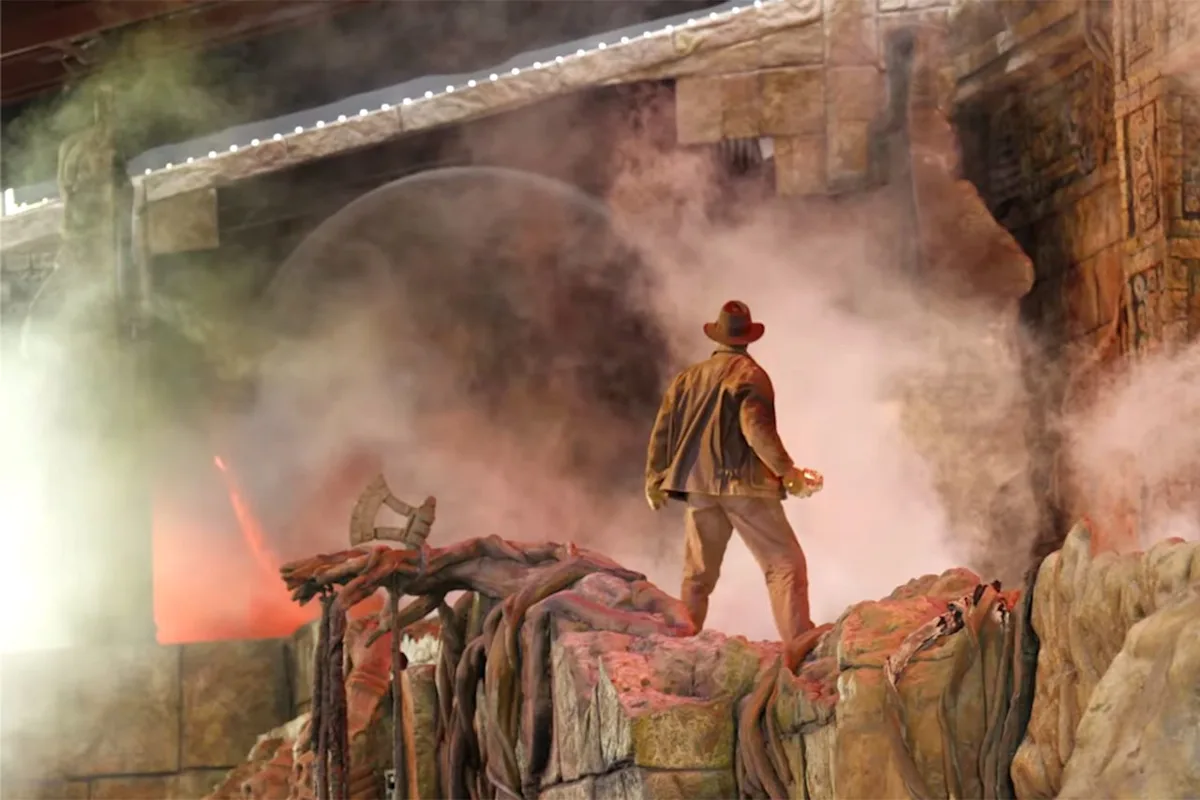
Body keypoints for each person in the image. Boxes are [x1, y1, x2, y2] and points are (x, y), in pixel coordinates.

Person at [645, 300, 824, 641]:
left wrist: (654, 479)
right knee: (784, 565)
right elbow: (756, 431)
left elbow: (663, 431)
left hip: (698, 487)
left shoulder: (687, 378)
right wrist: (790, 475)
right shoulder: (750, 375)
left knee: (698, 576)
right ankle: (798, 641)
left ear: (718, 336)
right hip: (744, 487)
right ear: (748, 338)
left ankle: (683, 641)